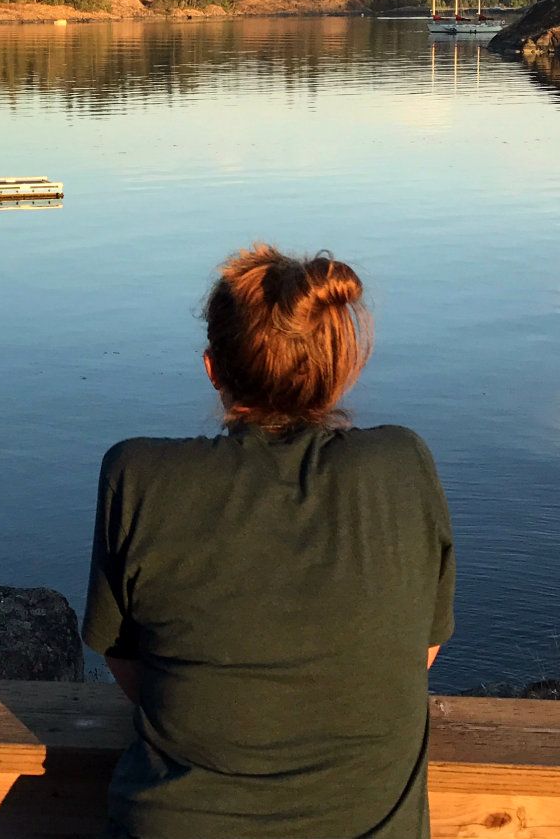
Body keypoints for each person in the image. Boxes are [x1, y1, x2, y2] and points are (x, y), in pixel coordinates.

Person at [82, 244, 455, 839]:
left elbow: (128, 668)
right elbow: (421, 653)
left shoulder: (139, 476)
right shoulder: (401, 465)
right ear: (340, 366)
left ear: (213, 368)